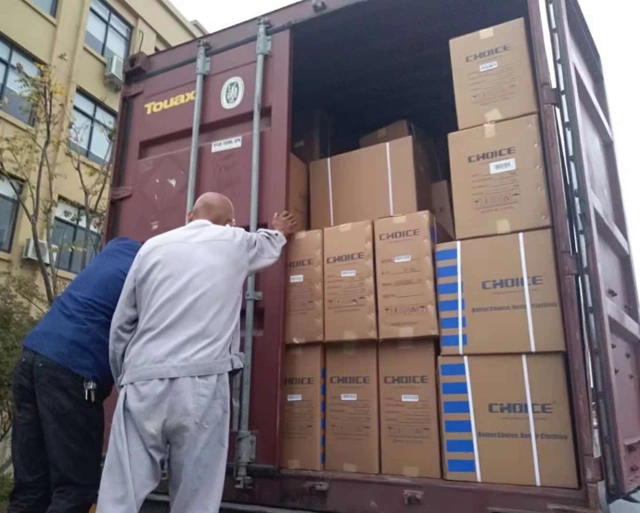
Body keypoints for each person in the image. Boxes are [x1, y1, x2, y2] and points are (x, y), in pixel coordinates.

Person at [96, 192, 296, 513]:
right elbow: (267, 244)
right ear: (230, 223)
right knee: (196, 498)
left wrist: (126, 380)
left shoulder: (151, 248)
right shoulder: (235, 241)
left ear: (190, 215)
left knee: (120, 495)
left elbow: (122, 323)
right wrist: (279, 231)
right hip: (202, 383)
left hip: (143, 379)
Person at [8, 237, 142, 513]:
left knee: (31, 486)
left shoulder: (119, 248)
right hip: (73, 368)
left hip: (32, 356)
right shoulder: (153, 266)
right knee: (75, 488)